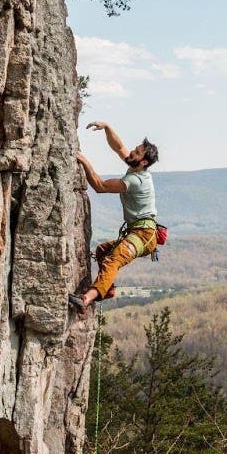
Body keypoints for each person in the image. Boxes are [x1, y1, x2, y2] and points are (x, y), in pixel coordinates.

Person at [70, 121, 160, 313]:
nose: (132, 152)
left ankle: (85, 299)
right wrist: (107, 127)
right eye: (135, 149)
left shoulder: (135, 180)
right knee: (103, 251)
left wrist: (84, 162)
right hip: (138, 231)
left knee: (113, 260)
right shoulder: (136, 166)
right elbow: (119, 147)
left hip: (144, 234)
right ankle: (107, 288)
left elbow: (100, 186)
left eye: (137, 152)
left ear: (144, 162)